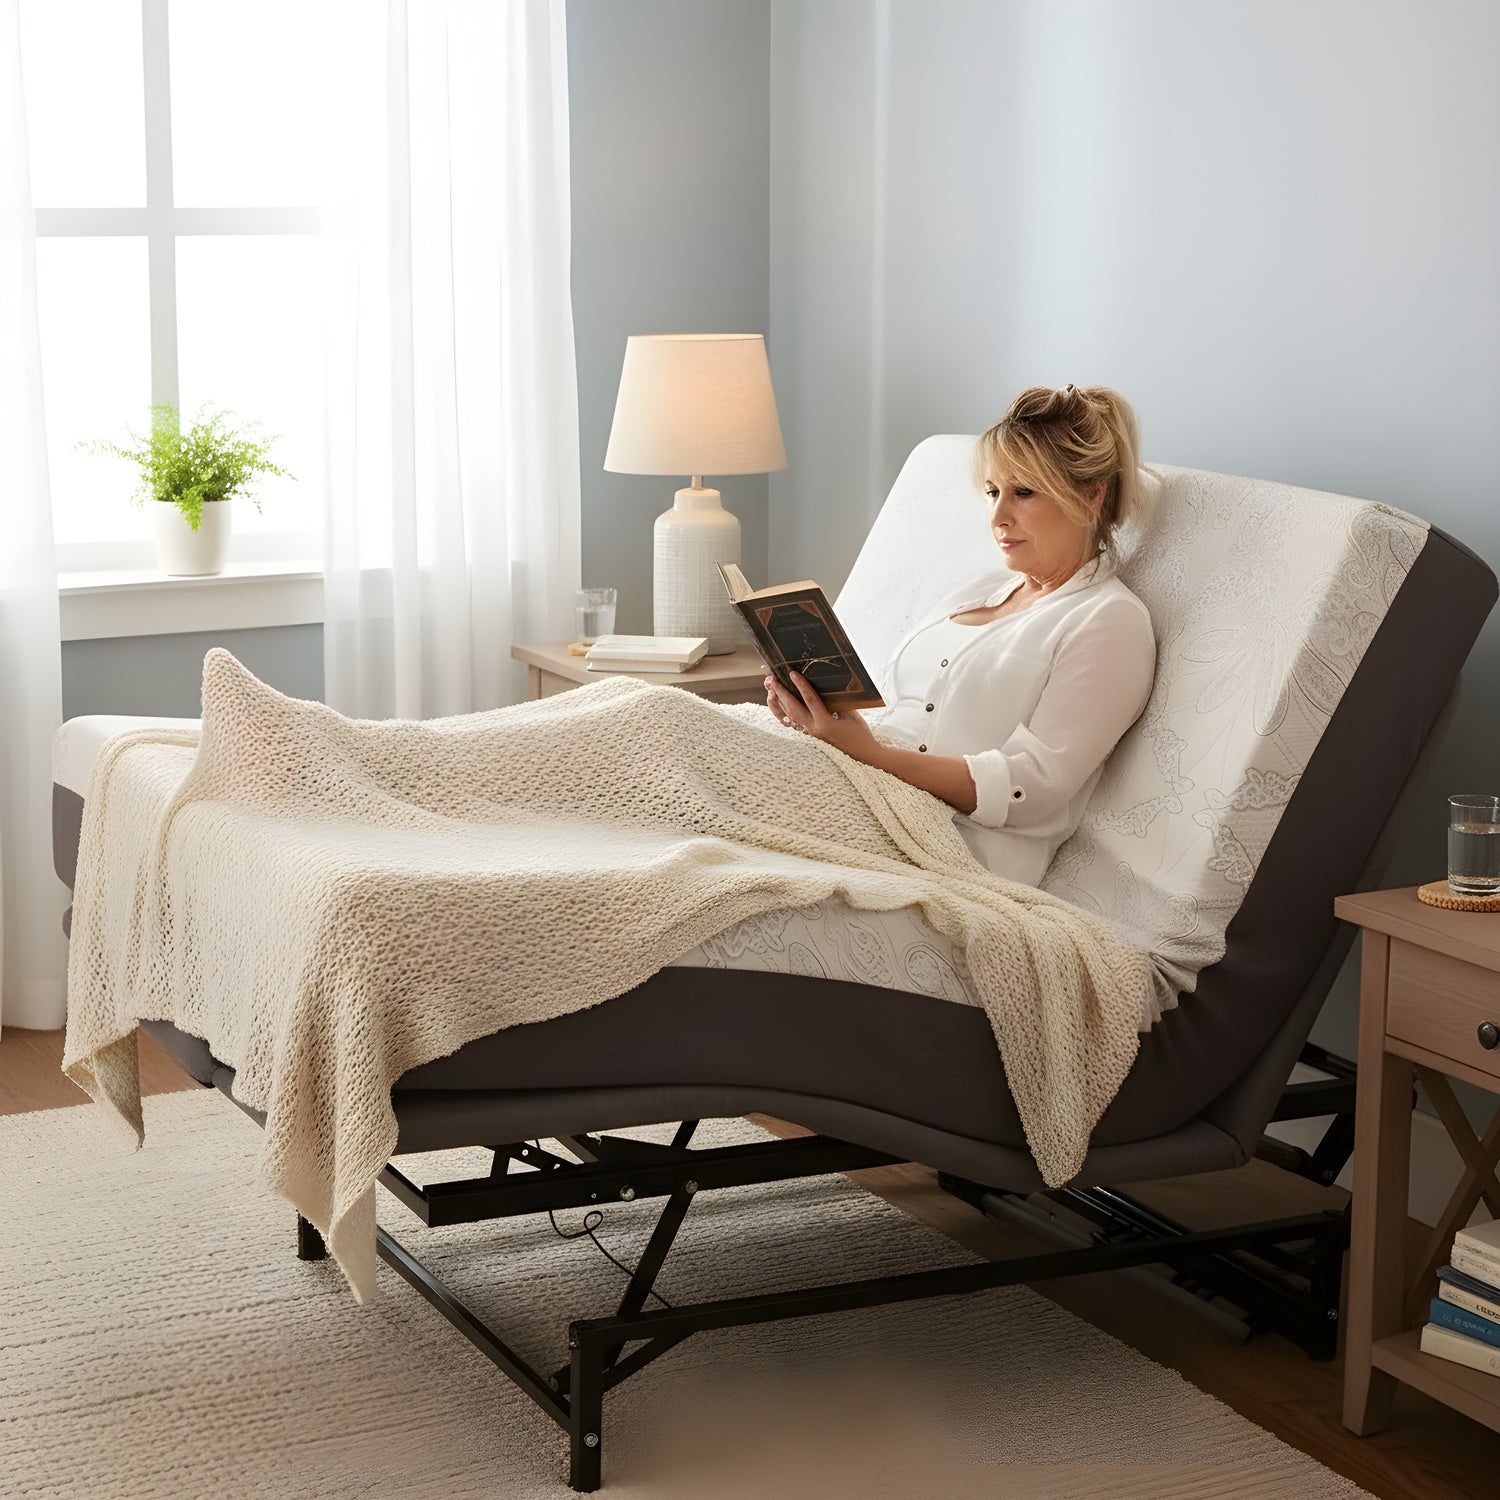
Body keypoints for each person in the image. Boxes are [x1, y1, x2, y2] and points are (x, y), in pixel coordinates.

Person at [765, 384, 1158, 887]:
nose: (997, 518)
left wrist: (871, 756)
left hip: (943, 847)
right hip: (859, 789)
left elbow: (1029, 789)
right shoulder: (983, 590)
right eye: (993, 492)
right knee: (647, 714)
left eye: (1024, 492)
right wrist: (818, 716)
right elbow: (890, 713)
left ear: (1091, 494)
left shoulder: (1108, 620)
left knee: (656, 723)